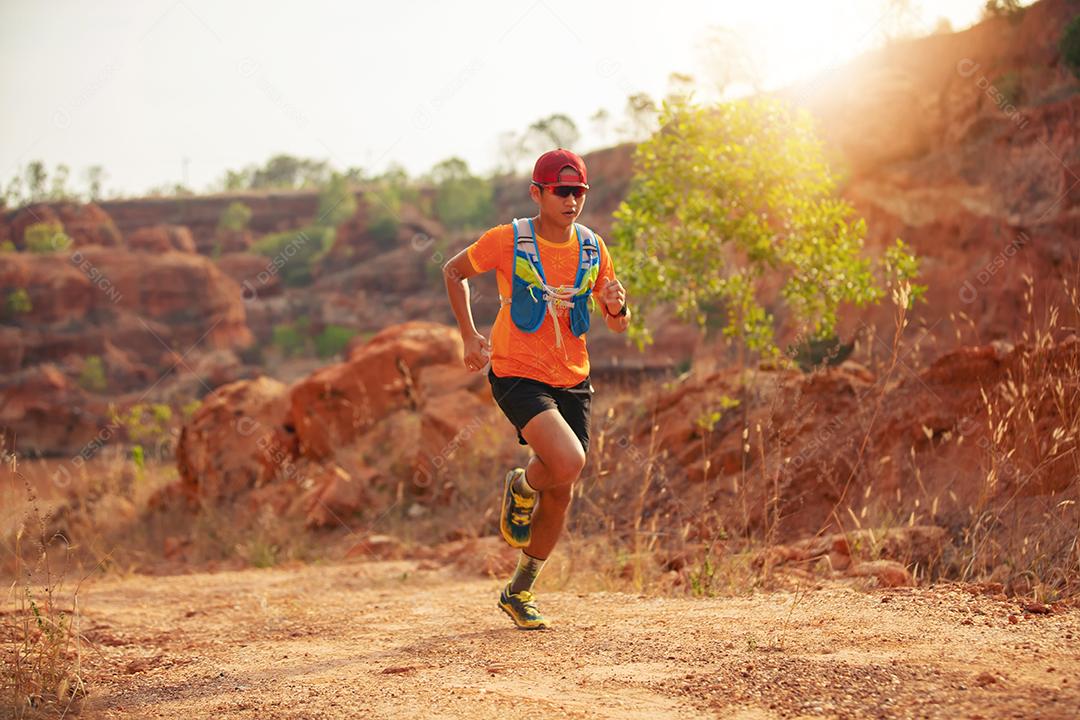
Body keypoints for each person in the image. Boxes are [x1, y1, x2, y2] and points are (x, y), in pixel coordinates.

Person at [442, 148, 630, 630]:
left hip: (574, 378)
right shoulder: (509, 239)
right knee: (568, 461)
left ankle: (519, 591)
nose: (571, 200)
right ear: (538, 193)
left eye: (578, 192)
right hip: (516, 372)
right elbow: (453, 271)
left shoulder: (593, 247)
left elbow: (619, 324)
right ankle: (523, 484)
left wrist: (616, 306)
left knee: (562, 490)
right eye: (561, 191)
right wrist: (469, 334)